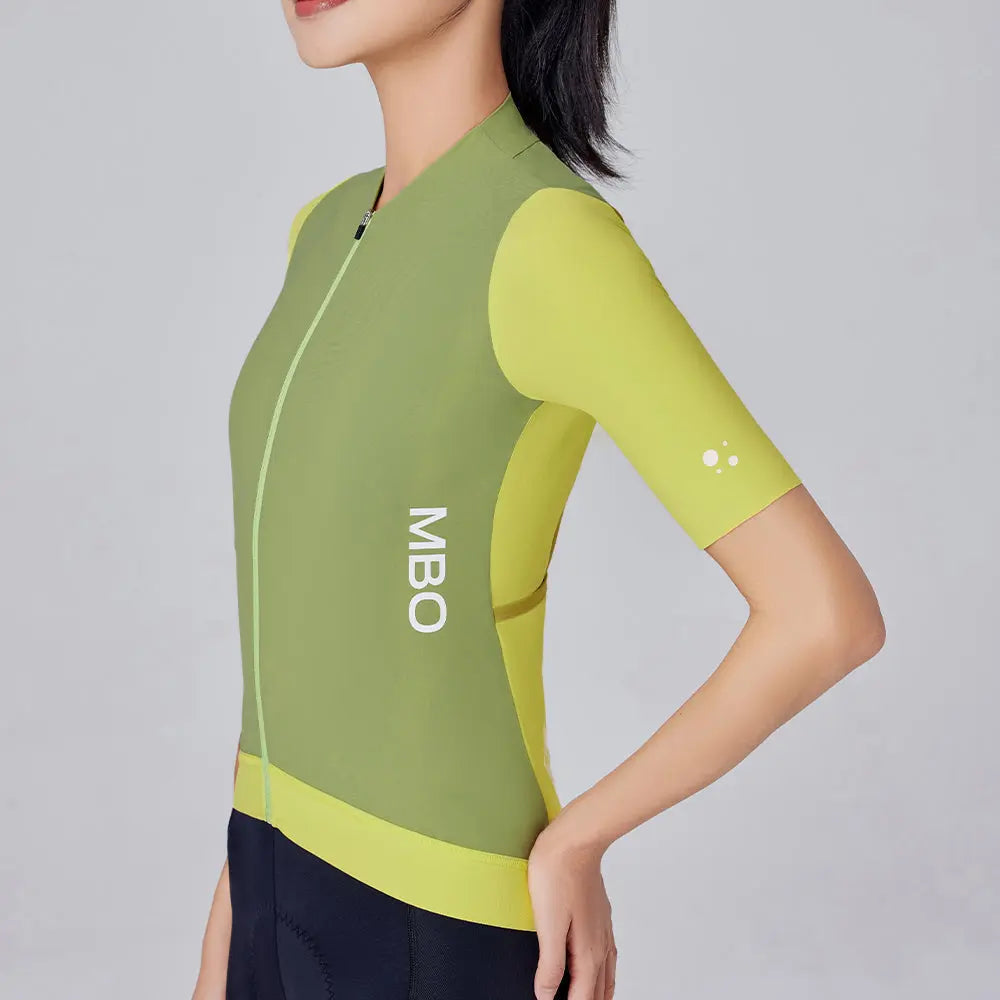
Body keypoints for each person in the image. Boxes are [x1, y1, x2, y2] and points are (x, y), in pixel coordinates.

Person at [192, 1, 886, 998]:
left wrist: (578, 839)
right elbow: (299, 625)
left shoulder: (547, 238)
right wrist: (228, 930)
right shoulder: (322, 230)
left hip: (432, 924)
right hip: (264, 883)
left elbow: (822, 613)